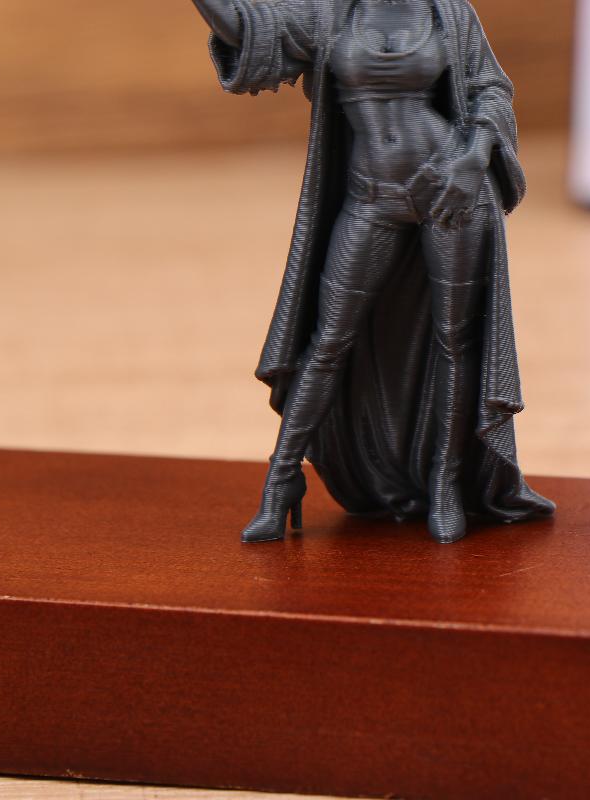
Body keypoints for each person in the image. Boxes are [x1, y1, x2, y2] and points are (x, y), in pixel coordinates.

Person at [190, 0, 555, 543]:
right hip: (372, 196)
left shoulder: (448, 12)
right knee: (328, 341)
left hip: (450, 190)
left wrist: (473, 158)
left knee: (454, 340)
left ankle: (446, 483)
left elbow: (491, 88)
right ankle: (281, 482)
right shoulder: (328, 13)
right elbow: (248, 29)